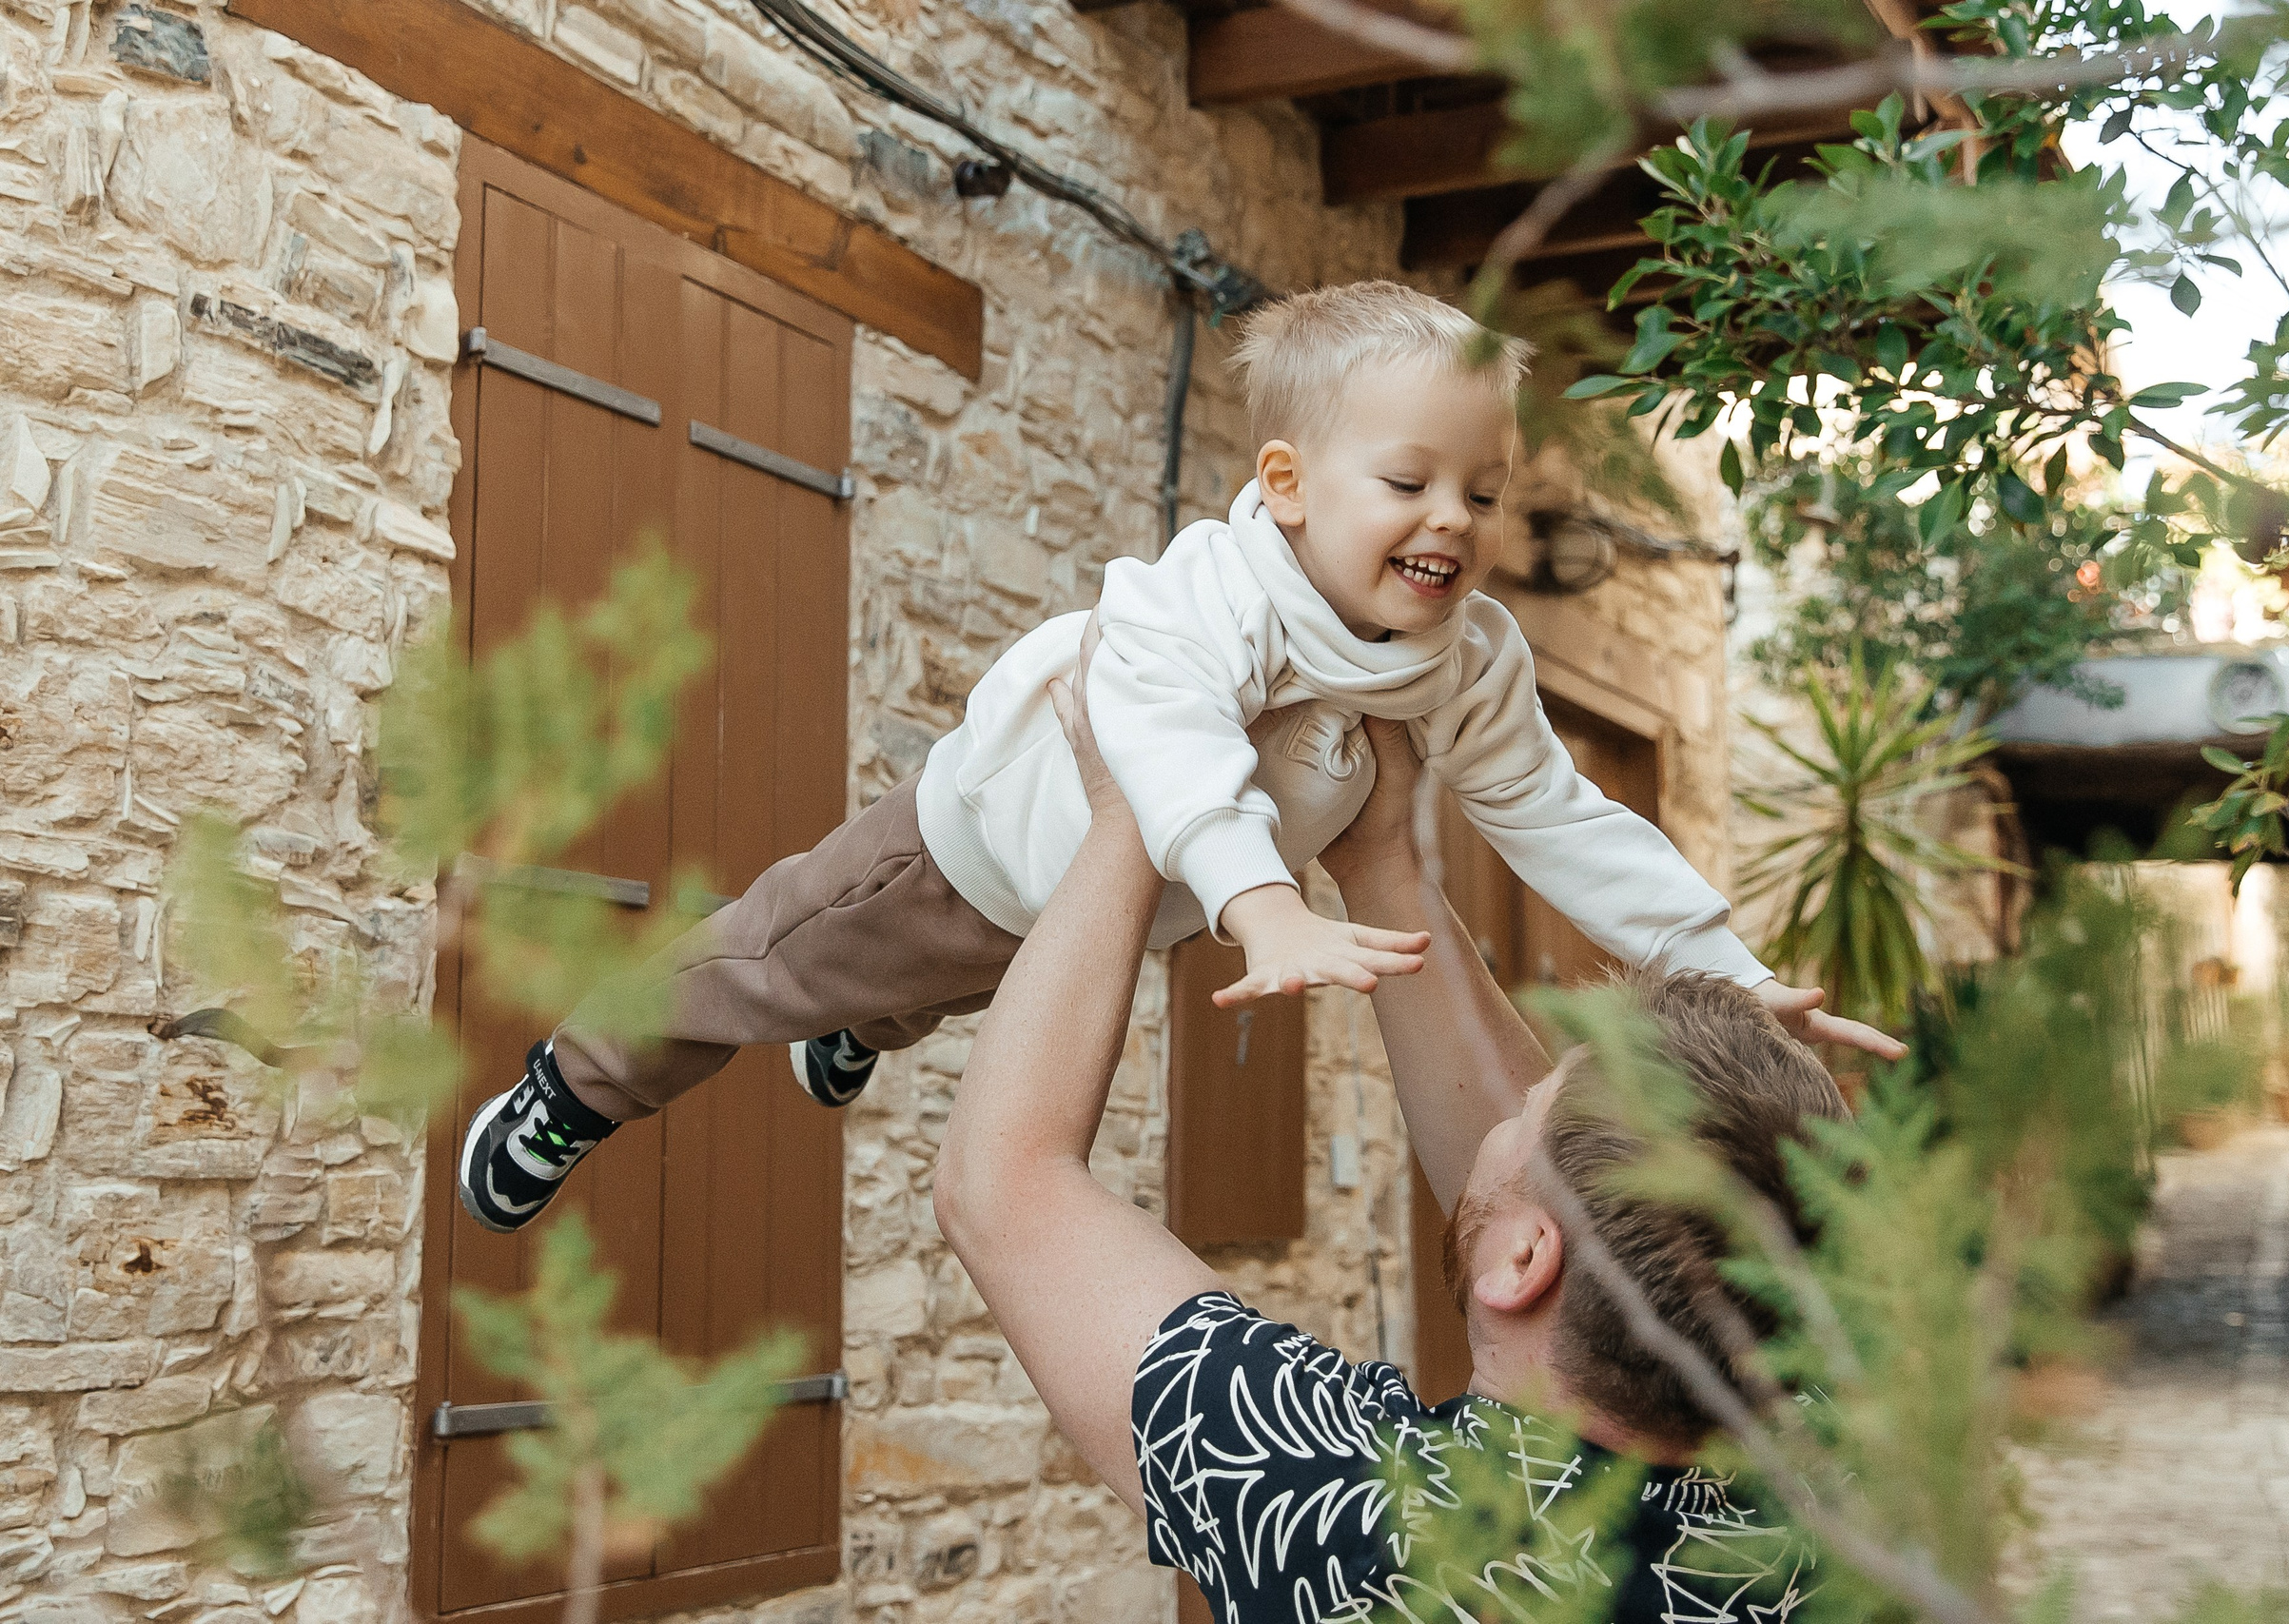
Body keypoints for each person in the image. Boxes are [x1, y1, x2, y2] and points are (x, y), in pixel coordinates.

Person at [457, 280, 1895, 1235]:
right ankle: (575, 1079)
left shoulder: (1466, 656)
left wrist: (1733, 973)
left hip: (1092, 923)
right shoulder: (1207, 591)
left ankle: (863, 1028)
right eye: (1408, 482)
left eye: (1483, 487)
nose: (1451, 518)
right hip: (961, 854)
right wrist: (1264, 899)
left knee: (941, 991)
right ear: (1288, 484)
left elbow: (1562, 818)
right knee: (762, 968)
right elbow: (1164, 741)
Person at [930, 638, 1854, 1622]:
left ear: (1528, 1259)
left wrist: (1126, 814)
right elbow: (1562, 1217)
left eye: (1532, 1109)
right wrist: (1381, 865)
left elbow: (1005, 1187)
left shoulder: (1362, 1518)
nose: (1510, 1107)